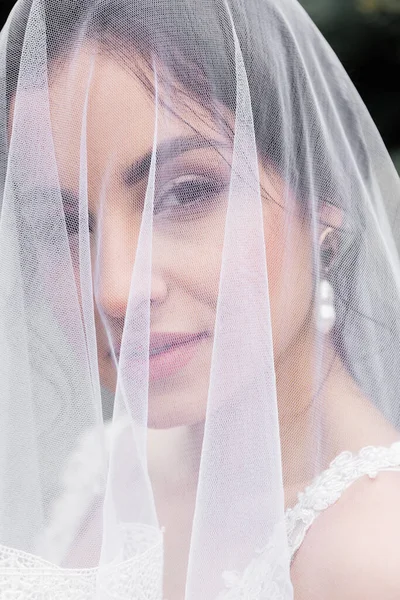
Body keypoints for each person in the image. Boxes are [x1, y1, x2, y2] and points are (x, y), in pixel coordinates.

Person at [1, 0, 400, 598]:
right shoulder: (107, 463)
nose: (116, 290)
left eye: (185, 193)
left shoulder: (372, 558)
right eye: (62, 224)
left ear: (322, 196)